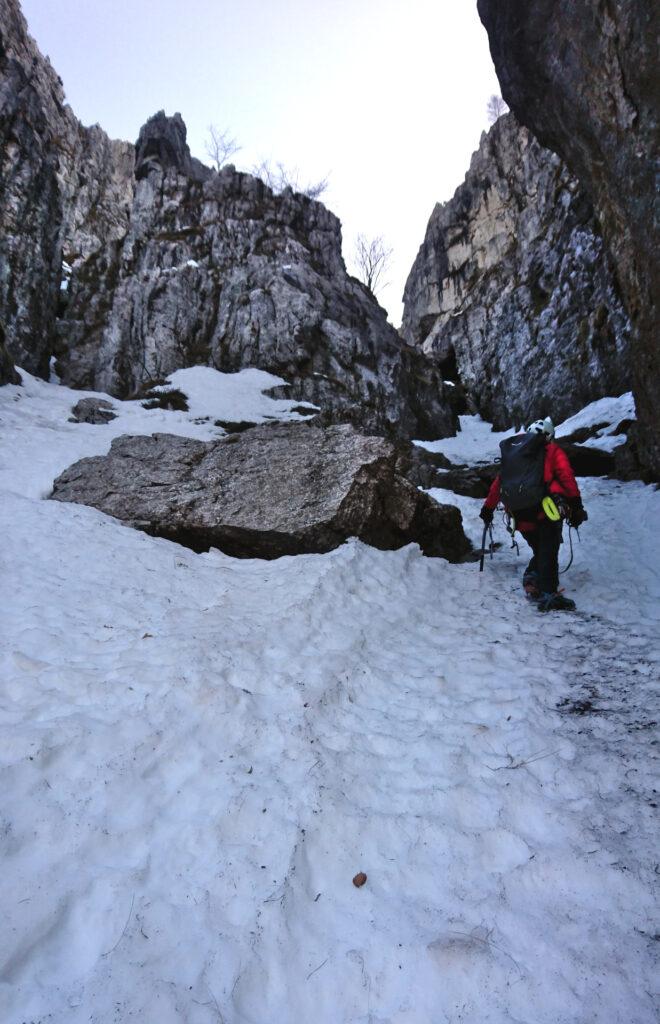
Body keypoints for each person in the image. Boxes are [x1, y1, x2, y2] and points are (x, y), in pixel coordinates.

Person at [479, 417, 588, 611]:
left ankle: (533, 576)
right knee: (549, 548)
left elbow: (499, 483)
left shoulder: (515, 455)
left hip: (519, 515)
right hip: (545, 510)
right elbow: (566, 477)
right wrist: (576, 505)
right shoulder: (552, 450)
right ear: (549, 436)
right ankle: (548, 593)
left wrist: (488, 509)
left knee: (541, 548)